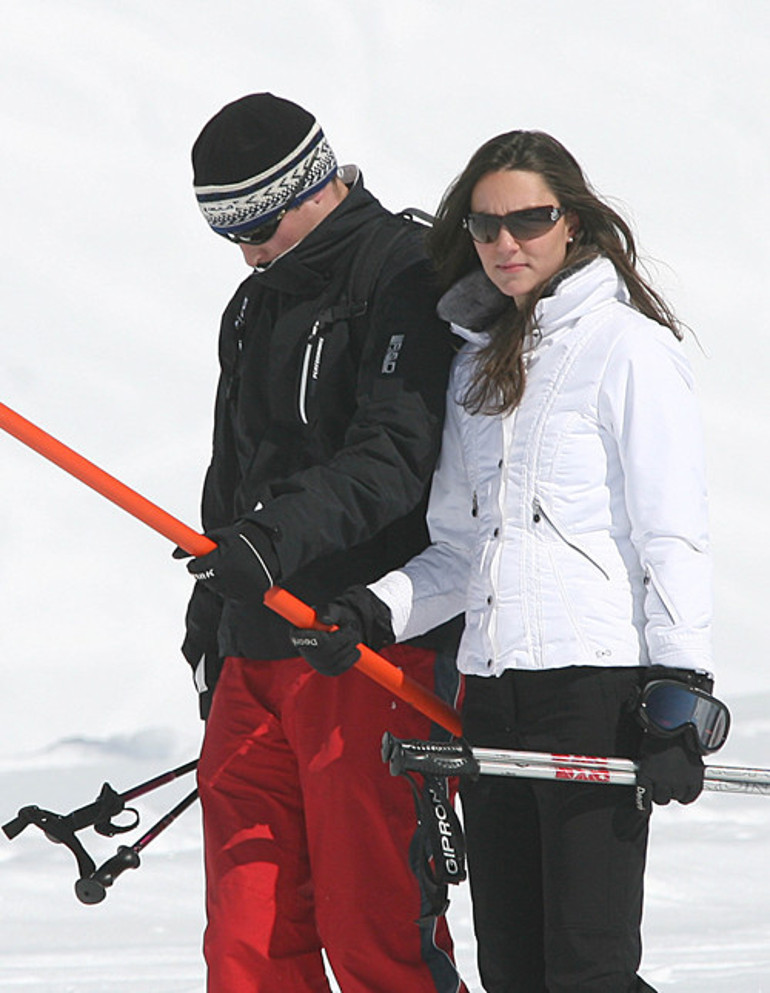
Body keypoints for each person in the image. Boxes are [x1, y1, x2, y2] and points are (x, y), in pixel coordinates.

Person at [292, 130, 717, 993]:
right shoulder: (477, 368)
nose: (506, 244)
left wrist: (680, 697)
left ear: (573, 220)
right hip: (490, 694)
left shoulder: (629, 350)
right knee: (515, 970)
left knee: (589, 969)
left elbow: (671, 533)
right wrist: (373, 610)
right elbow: (458, 548)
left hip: (594, 693)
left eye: (530, 219)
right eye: (486, 227)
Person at [178, 93, 467, 993]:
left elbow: (394, 456)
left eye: (260, 224)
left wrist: (272, 543)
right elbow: (234, 472)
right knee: (249, 939)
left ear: (315, 183)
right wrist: (208, 620)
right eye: (231, 235)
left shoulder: (407, 277)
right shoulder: (254, 302)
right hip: (254, 649)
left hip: (365, 647)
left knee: (374, 923)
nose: (250, 251)